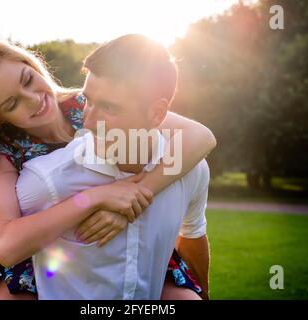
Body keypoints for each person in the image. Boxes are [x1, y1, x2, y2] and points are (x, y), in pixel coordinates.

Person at [0, 37, 215, 300]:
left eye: (28, 80)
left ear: (32, 65)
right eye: (12, 103)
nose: (35, 99)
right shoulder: (0, 155)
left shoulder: (87, 102)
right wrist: (96, 198)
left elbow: (200, 137)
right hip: (43, 256)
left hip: (130, 245)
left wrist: (135, 197)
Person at [15, 34, 212, 299]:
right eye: (88, 101)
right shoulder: (45, 181)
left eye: (108, 108)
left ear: (157, 114)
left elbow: (193, 233)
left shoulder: (191, 171)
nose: (88, 122)